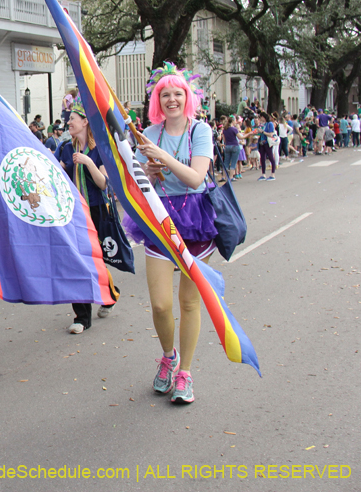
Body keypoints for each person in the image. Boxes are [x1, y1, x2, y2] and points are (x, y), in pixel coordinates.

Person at [122, 64, 218, 405]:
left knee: (189, 302)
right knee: (161, 304)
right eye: (165, 94)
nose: (172, 99)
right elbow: (135, 183)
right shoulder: (148, 133)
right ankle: (168, 357)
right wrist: (146, 170)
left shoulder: (200, 130)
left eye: (178, 93)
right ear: (157, 100)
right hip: (160, 220)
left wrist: (162, 156)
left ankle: (185, 373)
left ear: (187, 97)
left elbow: (196, 178)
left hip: (195, 219)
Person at [54, 99, 120, 333]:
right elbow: (56, 173)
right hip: (72, 212)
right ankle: (81, 317)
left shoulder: (99, 149)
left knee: (96, 260)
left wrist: (89, 163)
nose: (68, 122)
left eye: (72, 118)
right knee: (76, 260)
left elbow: (104, 185)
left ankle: (109, 294)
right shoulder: (65, 147)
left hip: (96, 209)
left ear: (84, 122)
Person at [256, 112, 277, 181]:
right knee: (262, 158)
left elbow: (271, 134)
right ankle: (263, 174)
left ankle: (273, 174)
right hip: (262, 143)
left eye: (261, 117)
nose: (260, 118)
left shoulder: (269, 124)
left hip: (268, 142)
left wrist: (262, 132)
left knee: (271, 157)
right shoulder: (262, 125)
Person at [221, 116, 241, 180]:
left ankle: (224, 176)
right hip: (235, 145)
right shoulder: (234, 129)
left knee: (226, 162)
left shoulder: (225, 129)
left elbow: (224, 140)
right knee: (233, 162)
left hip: (227, 146)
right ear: (233, 121)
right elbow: (240, 137)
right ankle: (231, 176)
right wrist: (249, 134)